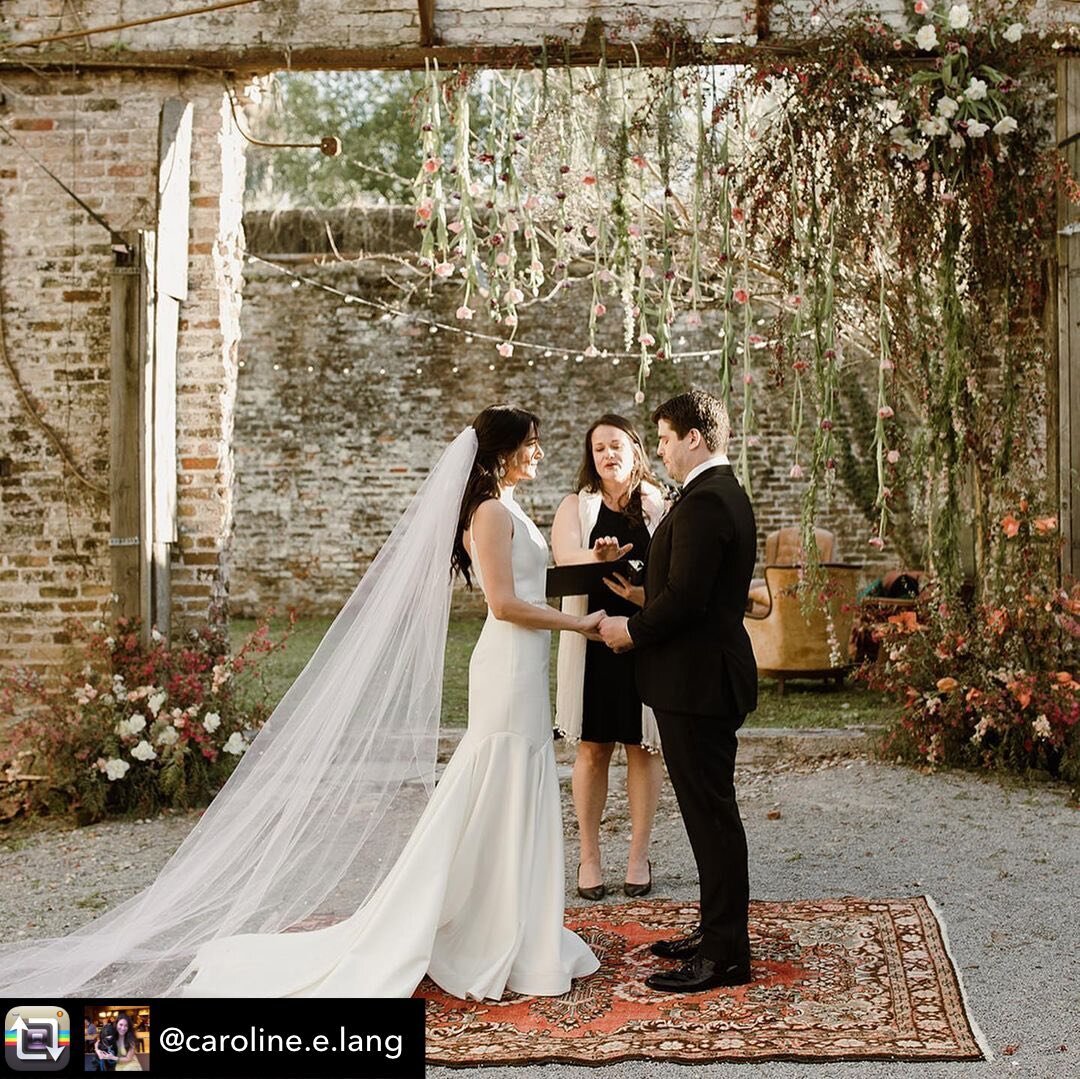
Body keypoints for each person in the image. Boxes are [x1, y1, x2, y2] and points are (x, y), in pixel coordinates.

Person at [0, 408, 600, 1000]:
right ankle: (477, 924)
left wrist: (590, 571)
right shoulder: (491, 511)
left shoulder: (511, 507)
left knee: (514, 782)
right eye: (531, 443)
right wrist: (583, 628)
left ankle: (511, 920)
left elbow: (529, 586)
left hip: (524, 665)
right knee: (497, 779)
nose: (540, 452)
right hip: (507, 664)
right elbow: (502, 603)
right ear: (500, 451)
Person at [599, 389, 757, 993]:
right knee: (706, 816)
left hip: (698, 683)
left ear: (694, 437)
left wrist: (630, 630)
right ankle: (716, 930)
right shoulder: (712, 496)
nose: (659, 449)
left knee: (712, 818)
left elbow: (691, 603)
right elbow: (697, 589)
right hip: (698, 677)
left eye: (664, 438)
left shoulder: (707, 503)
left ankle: (724, 954)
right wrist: (643, 594)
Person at [551, 414, 666, 900]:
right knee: (594, 748)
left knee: (642, 746)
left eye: (615, 444)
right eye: (598, 448)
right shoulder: (577, 506)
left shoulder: (657, 504)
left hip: (645, 636)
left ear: (635, 449)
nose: (607, 454)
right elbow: (561, 558)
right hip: (593, 638)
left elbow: (673, 566)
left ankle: (638, 856)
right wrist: (597, 556)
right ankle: (590, 857)